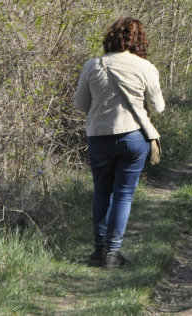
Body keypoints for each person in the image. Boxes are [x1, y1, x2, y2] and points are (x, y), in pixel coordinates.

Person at [74, 17, 165, 267]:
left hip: (99, 137)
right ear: (139, 40)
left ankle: (98, 250)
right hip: (133, 137)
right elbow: (158, 106)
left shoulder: (93, 65)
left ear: (110, 37)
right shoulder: (145, 67)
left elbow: (80, 104)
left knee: (102, 190)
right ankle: (113, 253)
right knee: (123, 194)